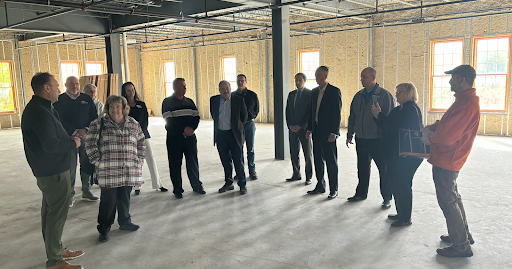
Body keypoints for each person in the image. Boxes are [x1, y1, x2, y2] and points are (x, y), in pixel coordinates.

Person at [21, 72, 84, 269]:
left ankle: (56, 249)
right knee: (56, 216)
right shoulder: (39, 112)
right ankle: (55, 261)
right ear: (46, 88)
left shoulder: (43, 108)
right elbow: (50, 144)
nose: (59, 89)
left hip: (51, 169)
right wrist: (73, 143)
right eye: (56, 86)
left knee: (50, 214)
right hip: (53, 171)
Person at [422, 65, 480, 257]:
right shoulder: (464, 101)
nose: (449, 81)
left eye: (453, 78)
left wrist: (428, 138)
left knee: (448, 201)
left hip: (448, 159)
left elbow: (447, 136)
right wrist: (432, 127)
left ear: (463, 80)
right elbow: (446, 124)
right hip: (448, 158)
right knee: (453, 197)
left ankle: (461, 245)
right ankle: (463, 234)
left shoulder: (467, 104)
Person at [85, 95, 145, 243]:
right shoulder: (99, 124)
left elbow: (141, 141)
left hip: (128, 170)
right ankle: (104, 228)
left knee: (125, 197)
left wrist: (140, 159)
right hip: (108, 171)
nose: (115, 109)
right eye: (111, 106)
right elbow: (90, 143)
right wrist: (97, 162)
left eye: (118, 106)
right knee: (108, 201)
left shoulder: (133, 123)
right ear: (107, 108)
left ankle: (125, 222)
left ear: (124, 108)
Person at [371, 82, 423, 227]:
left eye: (399, 92)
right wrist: (377, 115)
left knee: (403, 185)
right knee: (395, 184)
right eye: (396, 93)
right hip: (395, 154)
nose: (396, 95)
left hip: (407, 155)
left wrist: (380, 115)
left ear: (409, 94)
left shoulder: (411, 109)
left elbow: (395, 126)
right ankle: (401, 213)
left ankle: (406, 218)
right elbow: (385, 125)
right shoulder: (398, 109)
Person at [346, 67, 395, 209]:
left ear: (374, 78)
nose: (361, 79)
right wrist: (350, 134)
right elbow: (353, 116)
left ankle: (387, 198)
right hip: (361, 139)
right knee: (362, 168)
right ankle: (361, 193)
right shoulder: (358, 96)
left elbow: (390, 119)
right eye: (361, 77)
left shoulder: (385, 96)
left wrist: (388, 140)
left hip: (378, 140)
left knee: (384, 169)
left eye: (364, 77)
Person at [53, 76, 99, 207]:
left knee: (87, 165)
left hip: (86, 137)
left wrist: (85, 130)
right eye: (72, 84)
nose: (75, 86)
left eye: (77, 84)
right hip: (69, 139)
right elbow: (58, 119)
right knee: (70, 167)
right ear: (66, 85)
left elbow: (94, 117)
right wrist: (73, 132)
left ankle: (86, 191)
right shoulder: (60, 100)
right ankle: (70, 195)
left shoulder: (86, 99)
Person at [122, 82, 168, 195]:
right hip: (128, 137)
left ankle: (158, 184)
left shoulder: (141, 104)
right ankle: (137, 186)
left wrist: (140, 133)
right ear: (124, 92)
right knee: (134, 161)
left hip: (143, 135)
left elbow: (145, 121)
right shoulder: (123, 106)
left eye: (133, 89)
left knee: (150, 158)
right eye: (128, 90)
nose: (131, 92)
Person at [162, 78, 204, 199]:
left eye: (185, 86)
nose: (184, 88)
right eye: (181, 86)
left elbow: (196, 116)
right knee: (175, 164)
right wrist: (183, 130)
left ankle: (197, 186)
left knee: (193, 162)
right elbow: (168, 120)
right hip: (174, 138)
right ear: (174, 87)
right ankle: (178, 189)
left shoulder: (190, 102)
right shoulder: (167, 102)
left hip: (190, 138)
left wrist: (191, 129)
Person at [305, 66, 342, 199]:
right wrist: (309, 129)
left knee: (331, 161)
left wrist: (334, 132)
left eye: (319, 76)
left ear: (326, 76)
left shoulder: (334, 91)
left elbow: (337, 114)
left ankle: (334, 189)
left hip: (328, 134)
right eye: (315, 76)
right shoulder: (314, 92)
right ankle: (320, 185)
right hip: (316, 131)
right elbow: (311, 112)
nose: (316, 78)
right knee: (317, 160)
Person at [210, 80, 248, 195]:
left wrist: (236, 128)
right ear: (219, 90)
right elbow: (214, 115)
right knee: (225, 161)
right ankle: (229, 183)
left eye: (227, 88)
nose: (225, 91)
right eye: (222, 89)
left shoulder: (238, 100)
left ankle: (242, 184)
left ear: (230, 88)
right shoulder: (214, 100)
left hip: (234, 134)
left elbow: (244, 117)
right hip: (221, 135)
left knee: (238, 161)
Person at [285, 73, 313, 185]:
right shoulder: (291, 94)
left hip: (304, 129)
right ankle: (296, 174)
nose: (297, 82)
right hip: (292, 129)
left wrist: (301, 126)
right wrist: (290, 125)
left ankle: (309, 177)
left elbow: (310, 113)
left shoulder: (310, 94)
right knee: (293, 152)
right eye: (296, 80)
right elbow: (287, 111)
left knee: (307, 153)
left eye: (300, 80)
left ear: (304, 81)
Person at [232, 74, 259, 180]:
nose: (240, 82)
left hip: (249, 125)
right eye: (238, 81)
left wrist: (250, 118)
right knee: (238, 149)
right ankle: (240, 171)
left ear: (246, 82)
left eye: (242, 81)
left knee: (250, 149)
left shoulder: (252, 95)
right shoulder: (233, 95)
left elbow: (256, 109)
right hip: (237, 126)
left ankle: (252, 171)